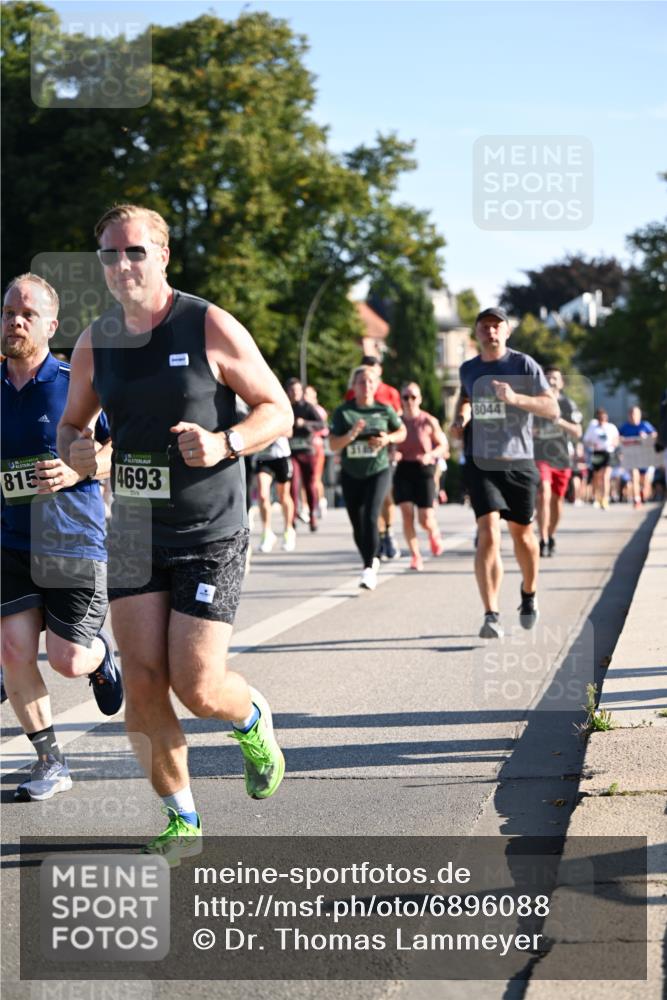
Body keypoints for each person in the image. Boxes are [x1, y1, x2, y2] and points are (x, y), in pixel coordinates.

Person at [58, 204, 293, 864]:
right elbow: (73, 426)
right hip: (133, 527)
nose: (122, 265)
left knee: (197, 686)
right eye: (109, 255)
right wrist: (78, 451)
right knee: (142, 679)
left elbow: (277, 409)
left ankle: (249, 719)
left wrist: (225, 441)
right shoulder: (94, 341)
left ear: (162, 256)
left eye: (134, 252)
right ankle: (181, 817)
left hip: (209, 530)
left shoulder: (207, 323)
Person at [1, 273, 122, 801]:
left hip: (74, 541)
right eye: (8, 312)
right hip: (9, 541)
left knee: (69, 659)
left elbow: (120, 449)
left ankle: (100, 656)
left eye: (26, 314)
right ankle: (51, 761)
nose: (14, 321)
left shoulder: (79, 382)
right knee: (13, 649)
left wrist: (80, 471)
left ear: (52, 325)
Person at [450, 307, 557, 639]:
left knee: (523, 535)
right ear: (477, 333)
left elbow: (551, 408)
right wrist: (461, 418)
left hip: (518, 461)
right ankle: (491, 613)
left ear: (507, 332)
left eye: (497, 326)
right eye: (485, 327)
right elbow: (465, 398)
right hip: (481, 460)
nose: (491, 332)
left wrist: (516, 398)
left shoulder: (523, 365)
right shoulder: (468, 368)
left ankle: (529, 592)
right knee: (488, 532)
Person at [330, 364, 406, 591]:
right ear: (353, 386)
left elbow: (401, 432)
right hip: (351, 472)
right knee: (357, 523)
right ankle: (370, 559)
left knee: (371, 516)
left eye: (370, 382)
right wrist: (351, 435)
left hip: (378, 469)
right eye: (361, 382)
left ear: (377, 385)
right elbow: (333, 444)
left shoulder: (384, 410)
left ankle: (368, 568)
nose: (366, 386)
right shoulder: (343, 412)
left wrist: (387, 440)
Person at [346, 356, 403, 559]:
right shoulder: (354, 392)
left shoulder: (390, 393)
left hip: (386, 452)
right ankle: (376, 535)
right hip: (360, 455)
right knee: (369, 503)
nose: (369, 374)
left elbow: (397, 423)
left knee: (385, 497)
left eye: (373, 369)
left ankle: (388, 531)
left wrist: (391, 442)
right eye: (365, 369)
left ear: (379, 371)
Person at [393, 381, 449, 571]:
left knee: (424, 518)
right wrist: (394, 453)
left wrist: (430, 455)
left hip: (424, 469)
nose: (409, 401)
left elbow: (443, 445)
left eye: (413, 397)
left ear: (420, 399)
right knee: (407, 515)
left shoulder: (428, 420)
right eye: (405, 397)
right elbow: (390, 444)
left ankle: (434, 533)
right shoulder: (396, 421)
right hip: (403, 470)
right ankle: (415, 555)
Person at [533, 366, 582, 557]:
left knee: (557, 500)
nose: (552, 381)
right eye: (548, 379)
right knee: (543, 493)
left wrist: (558, 421)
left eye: (555, 378)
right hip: (540, 457)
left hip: (561, 458)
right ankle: (543, 538)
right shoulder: (535, 404)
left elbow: (578, 432)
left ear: (561, 383)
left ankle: (551, 535)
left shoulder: (568, 404)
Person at [284, 378, 325, 532]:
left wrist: (305, 423)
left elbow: (321, 424)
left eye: (298, 391)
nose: (295, 394)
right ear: (287, 392)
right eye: (292, 391)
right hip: (291, 452)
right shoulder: (285, 407)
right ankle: (292, 518)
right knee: (293, 485)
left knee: (310, 485)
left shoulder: (307, 407)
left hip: (307, 451)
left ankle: (312, 517)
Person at [254, 437, 296, 553]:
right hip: (263, 458)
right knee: (262, 495)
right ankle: (267, 533)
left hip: (281, 456)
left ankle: (288, 530)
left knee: (283, 496)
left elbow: (289, 431)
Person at [618, 405, 657, 508]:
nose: (633, 416)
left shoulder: (645, 425)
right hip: (631, 457)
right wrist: (621, 440)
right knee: (634, 476)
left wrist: (646, 436)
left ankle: (643, 494)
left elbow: (655, 435)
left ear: (639, 415)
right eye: (631, 414)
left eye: (635, 414)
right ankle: (637, 499)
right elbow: (617, 438)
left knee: (644, 480)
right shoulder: (625, 427)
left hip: (644, 458)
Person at [583, 409, 620, 509]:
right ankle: (596, 497)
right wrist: (592, 444)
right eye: (600, 418)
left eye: (604, 418)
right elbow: (586, 441)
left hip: (608, 453)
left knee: (606, 476)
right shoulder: (592, 428)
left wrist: (614, 443)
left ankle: (605, 498)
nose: (602, 420)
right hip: (597, 453)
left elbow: (617, 438)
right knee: (596, 477)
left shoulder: (611, 427)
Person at [304, 384, 329, 518]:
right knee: (304, 479)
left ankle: (320, 501)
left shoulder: (318, 411)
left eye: (308, 394)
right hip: (304, 447)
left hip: (316, 447)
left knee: (315, 478)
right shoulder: (302, 409)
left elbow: (324, 430)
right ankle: (307, 506)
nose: (305, 397)